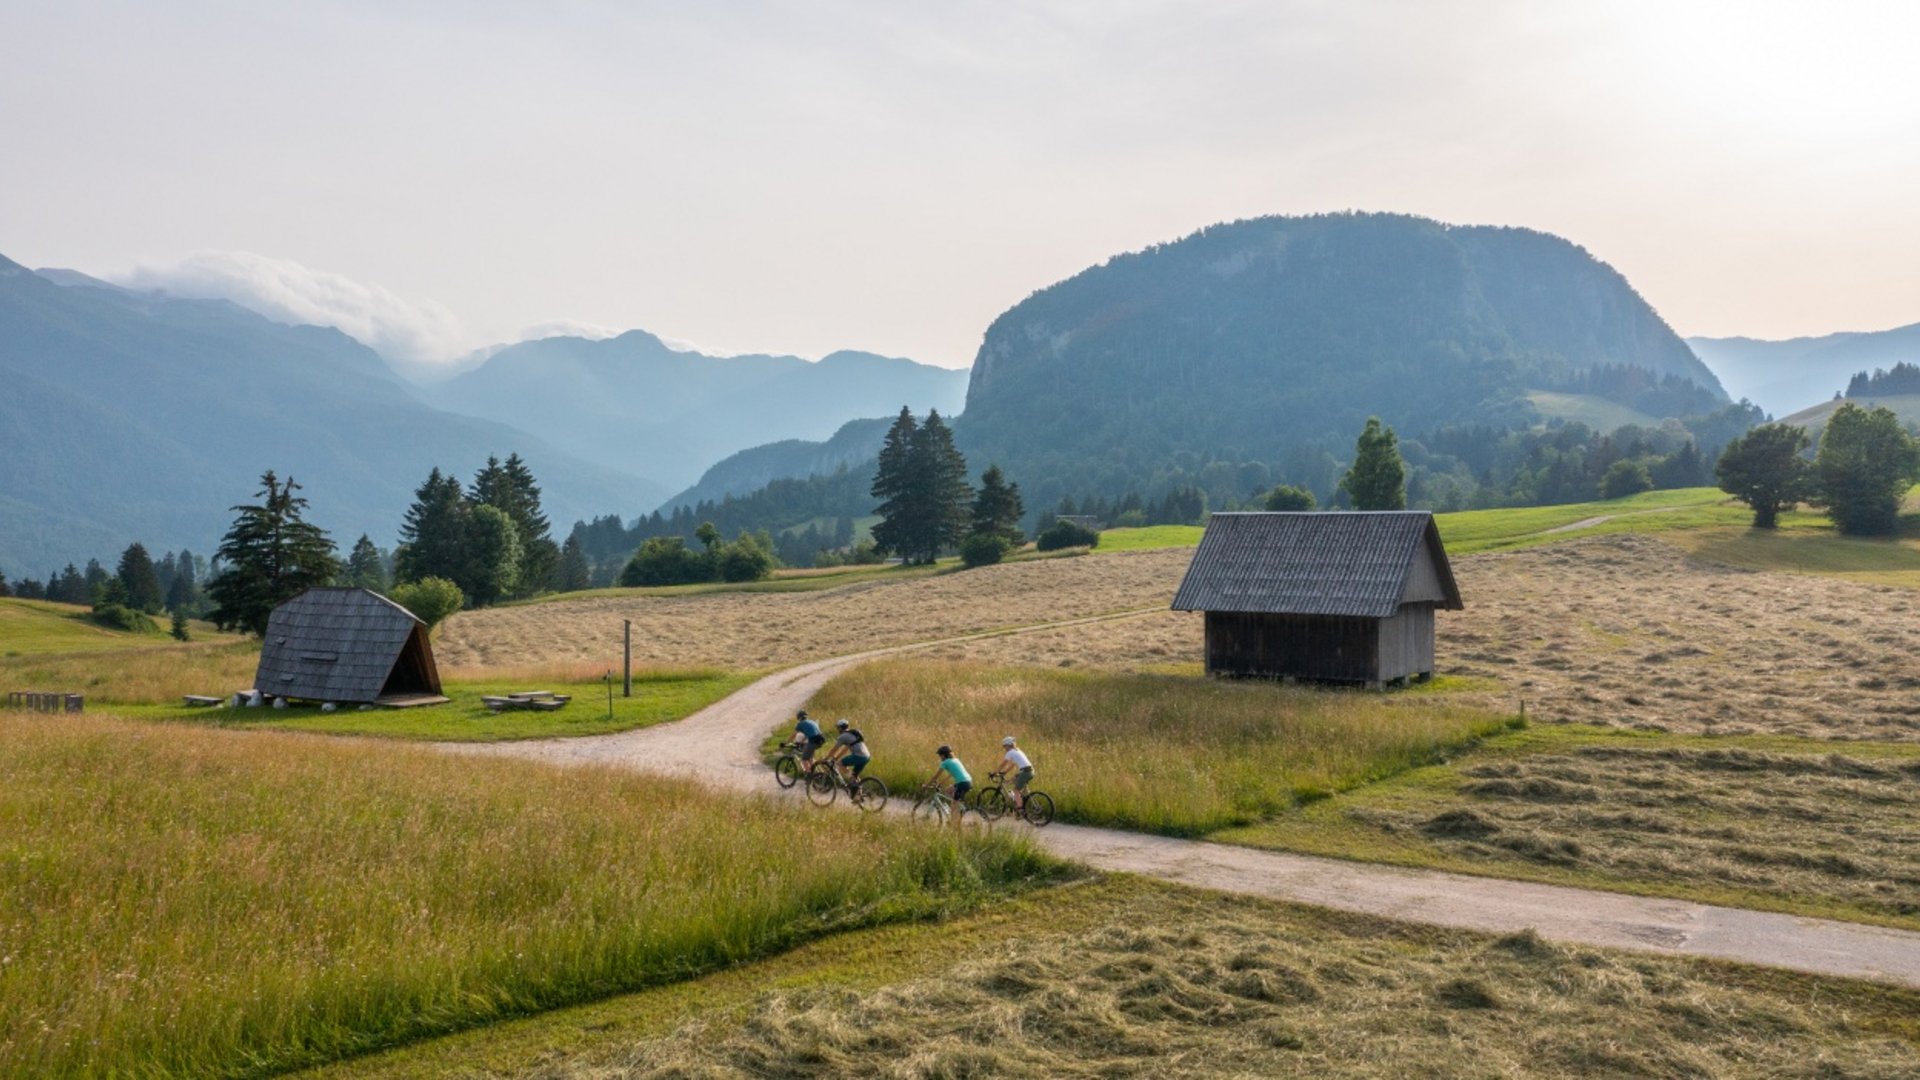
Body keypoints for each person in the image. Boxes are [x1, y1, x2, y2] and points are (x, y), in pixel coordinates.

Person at [924, 744, 971, 817]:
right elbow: (951, 774)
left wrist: (926, 785)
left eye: (940, 755)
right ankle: (958, 807)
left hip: (962, 783)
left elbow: (935, 776)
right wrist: (941, 783)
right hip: (967, 782)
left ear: (943, 755)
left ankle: (954, 824)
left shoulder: (945, 762)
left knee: (953, 805)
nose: (940, 757)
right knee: (947, 791)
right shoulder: (955, 760)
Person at [827, 718, 870, 782]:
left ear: (840, 728)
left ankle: (853, 779)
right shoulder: (852, 734)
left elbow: (834, 749)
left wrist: (825, 758)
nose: (837, 729)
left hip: (859, 756)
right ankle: (858, 788)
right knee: (854, 775)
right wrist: (836, 757)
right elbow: (845, 750)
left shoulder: (843, 736)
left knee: (840, 764)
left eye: (838, 728)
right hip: (867, 756)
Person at [997, 736, 1033, 811]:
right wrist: (1004, 772)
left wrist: (994, 772)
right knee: (1011, 780)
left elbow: (1003, 764)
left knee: (1016, 790)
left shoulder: (1010, 752)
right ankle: (1018, 800)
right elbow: (1012, 765)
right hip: (1029, 771)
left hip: (1025, 772)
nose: (1004, 748)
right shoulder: (1017, 751)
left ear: (1009, 745)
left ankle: (1020, 809)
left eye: (1005, 746)